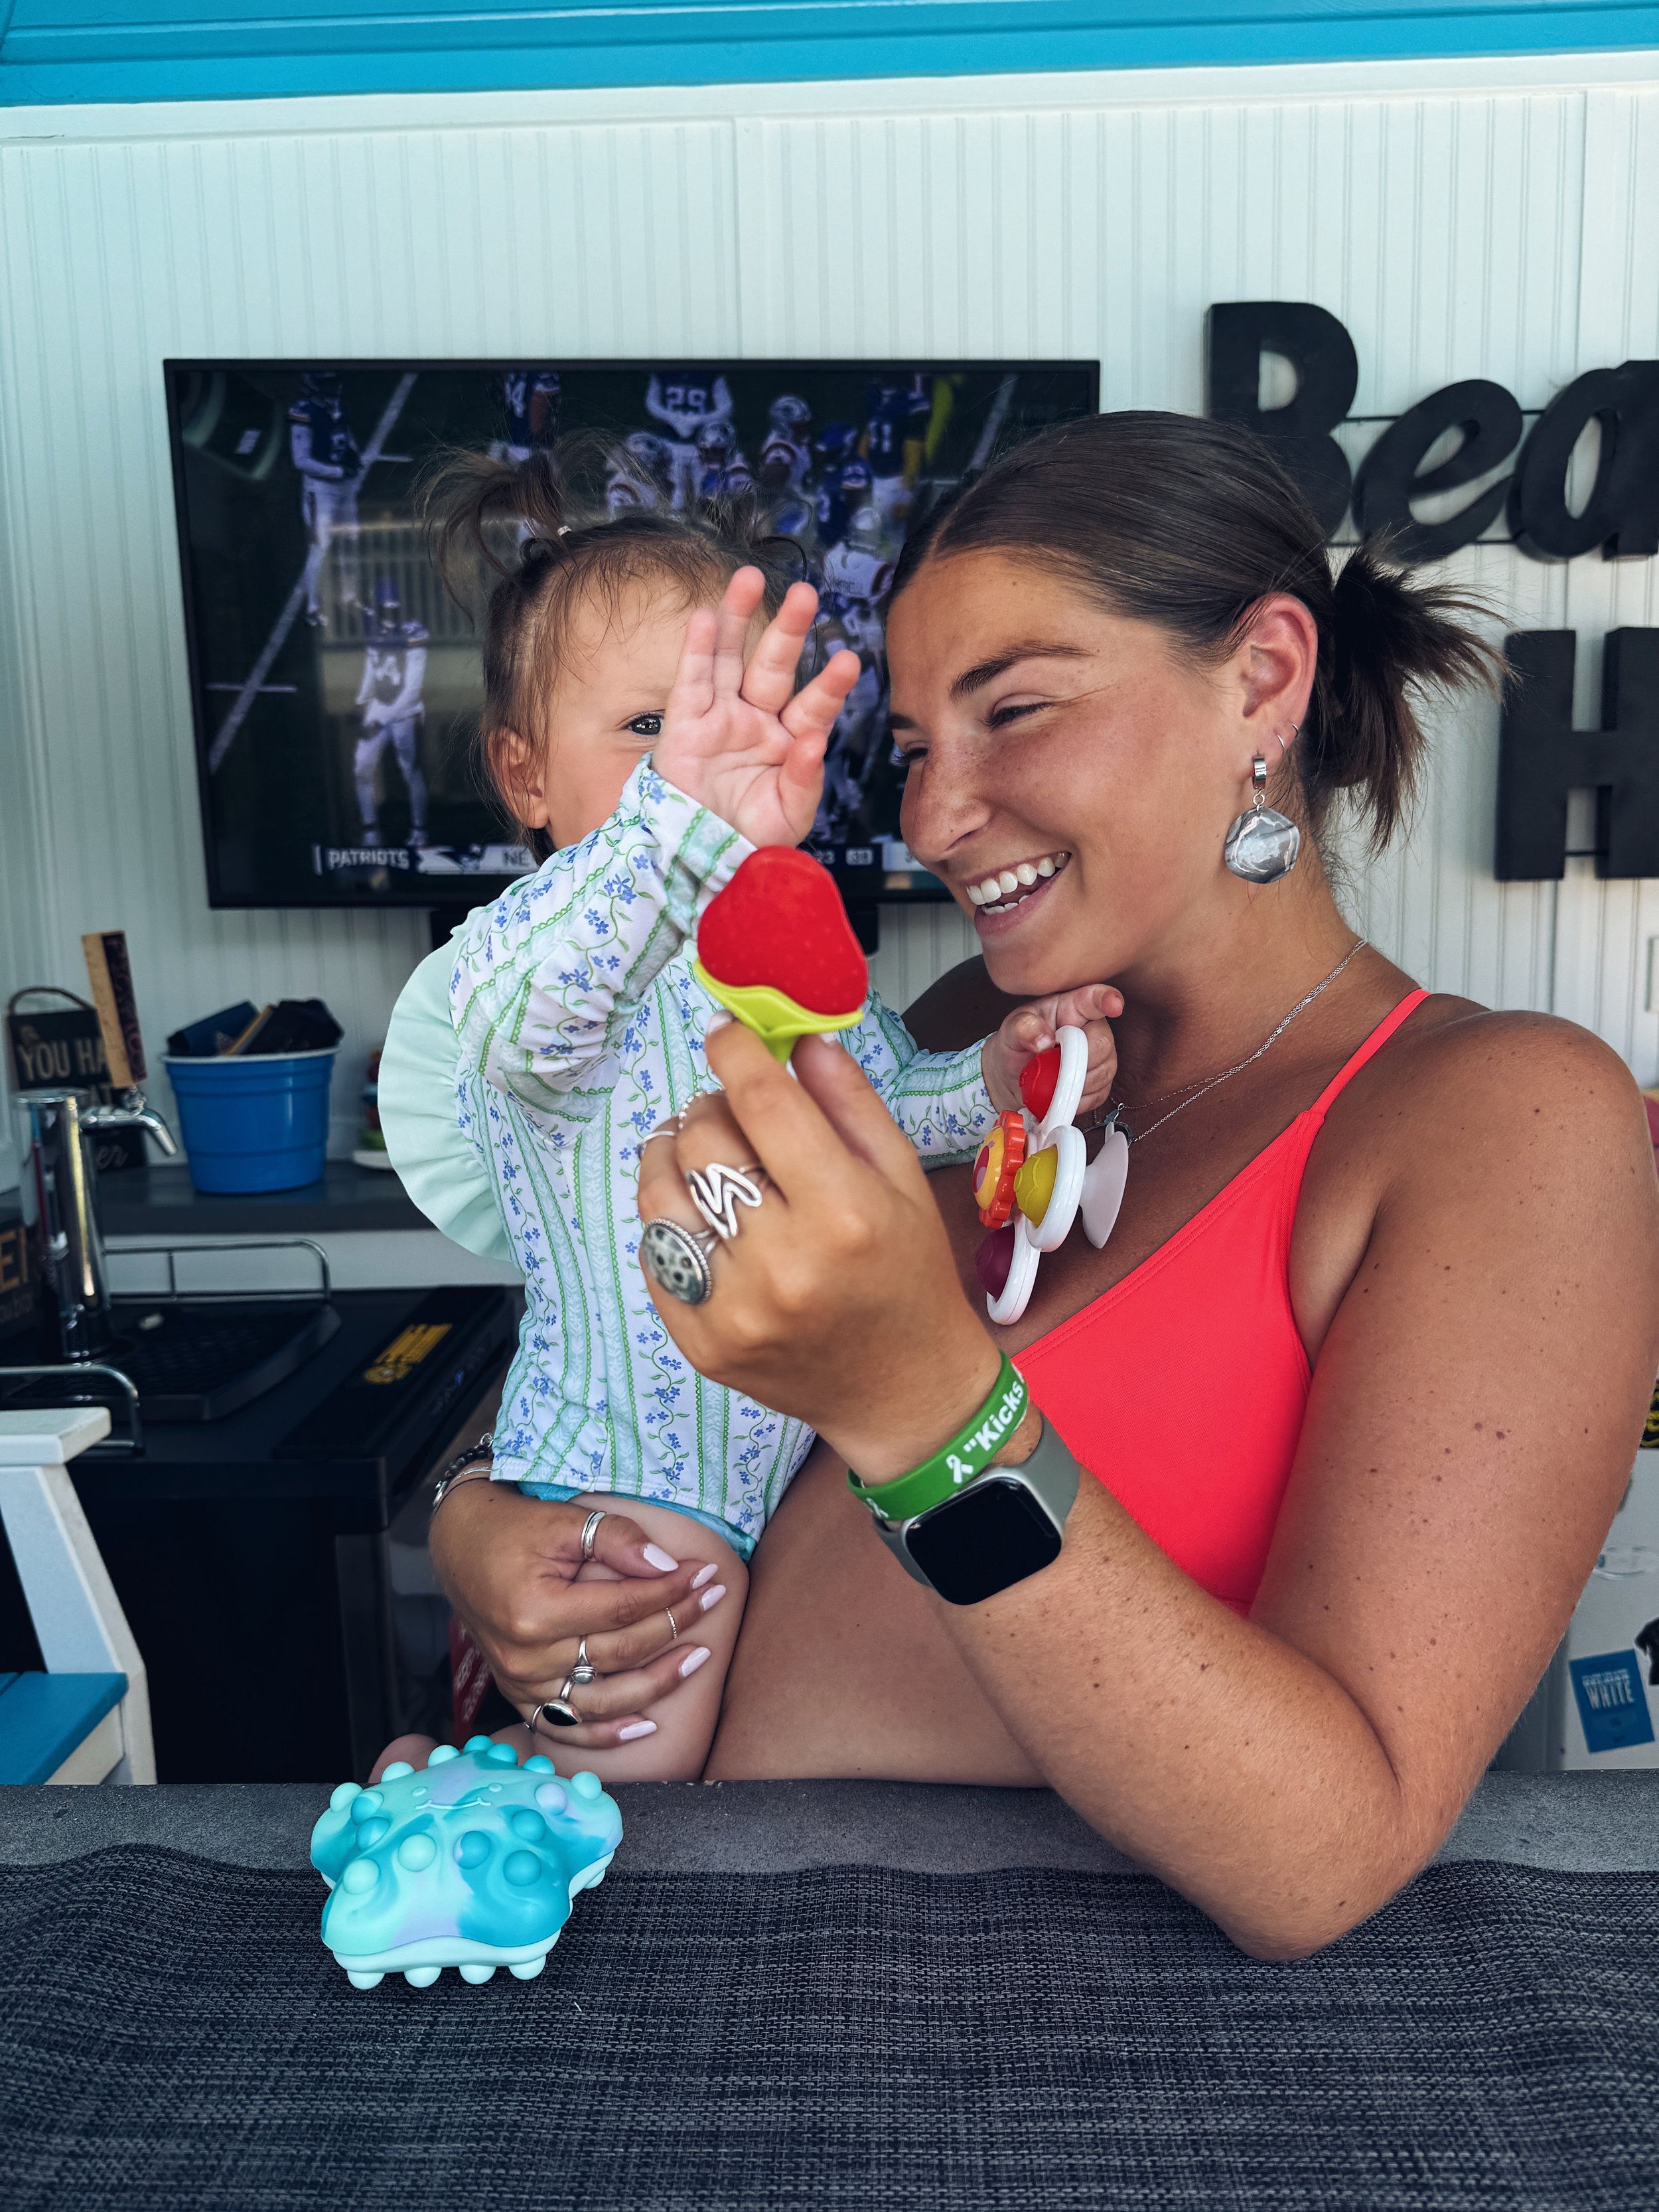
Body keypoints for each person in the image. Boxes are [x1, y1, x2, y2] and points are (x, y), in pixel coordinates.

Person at [426, 411, 1659, 1958]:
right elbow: (635, 1320)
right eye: (922, 746)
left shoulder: (1503, 1117)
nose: (935, 819)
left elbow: (1326, 1852)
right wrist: (481, 1532)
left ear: (1264, 680)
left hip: (1055, 2047)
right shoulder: (945, 1040)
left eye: (1015, 711)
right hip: (659, 1953)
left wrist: (926, 1410)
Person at [375, 448, 1118, 1785]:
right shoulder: (546, 983)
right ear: (522, 774)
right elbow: (509, 1028)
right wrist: (671, 833)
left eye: (727, 729)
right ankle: (455, 1815)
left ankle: (463, 1769)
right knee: (637, 1773)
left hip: (785, 1478)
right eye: (645, 730)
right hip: (627, 1483)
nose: (698, 766)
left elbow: (879, 1105)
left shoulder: (770, 973)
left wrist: (998, 1079)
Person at [353, 575, 429, 848]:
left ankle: (420, 830)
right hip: (378, 710)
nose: (388, 614)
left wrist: (379, 717)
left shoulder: (414, 632)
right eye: (384, 608)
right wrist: (363, 703)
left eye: (392, 609)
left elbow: (412, 687)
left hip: (404, 713)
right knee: (362, 767)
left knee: (409, 769)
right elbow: (372, 671)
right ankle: (370, 830)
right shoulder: (374, 629)